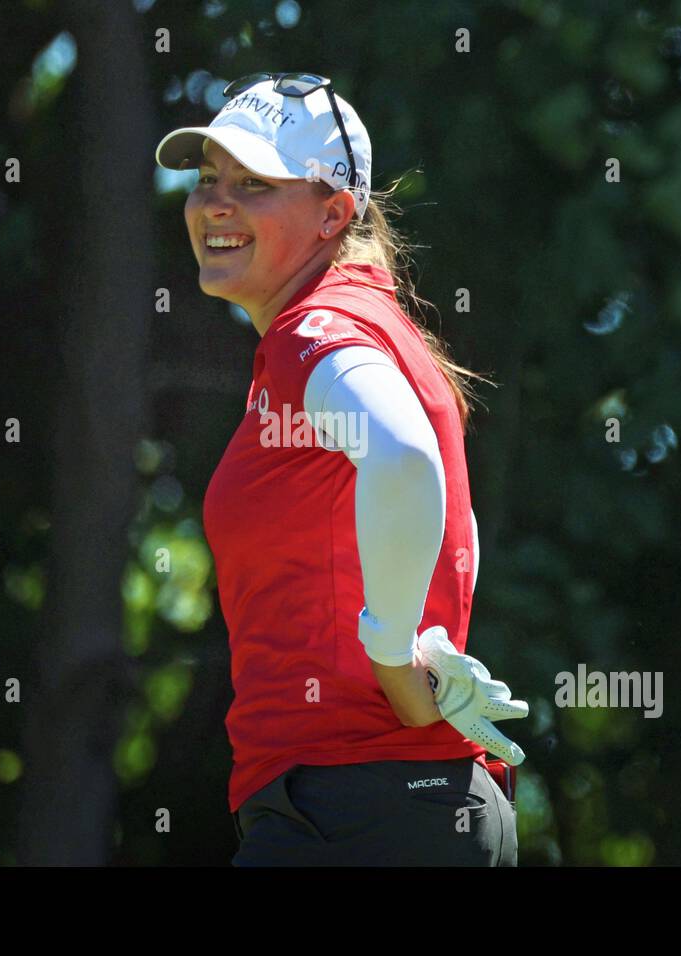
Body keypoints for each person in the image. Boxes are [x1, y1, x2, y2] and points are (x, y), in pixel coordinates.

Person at [154, 73, 529, 866]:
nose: (215, 203)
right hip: (405, 808)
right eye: (208, 179)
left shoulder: (314, 330)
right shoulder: (374, 325)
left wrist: (394, 657)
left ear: (333, 213)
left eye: (254, 183)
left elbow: (402, 458)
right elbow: (444, 515)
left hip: (352, 809)